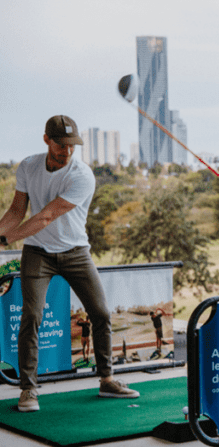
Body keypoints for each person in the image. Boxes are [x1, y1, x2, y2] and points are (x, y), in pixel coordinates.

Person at [0, 115, 140, 413]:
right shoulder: (28, 166)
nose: (67, 152)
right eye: (61, 145)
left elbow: (45, 217)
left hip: (76, 251)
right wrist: (0, 233)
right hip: (38, 252)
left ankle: (107, 380)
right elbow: (16, 211)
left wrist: (4, 241)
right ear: (46, 140)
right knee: (32, 316)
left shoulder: (82, 175)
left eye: (72, 146)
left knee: (101, 313)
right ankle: (28, 390)